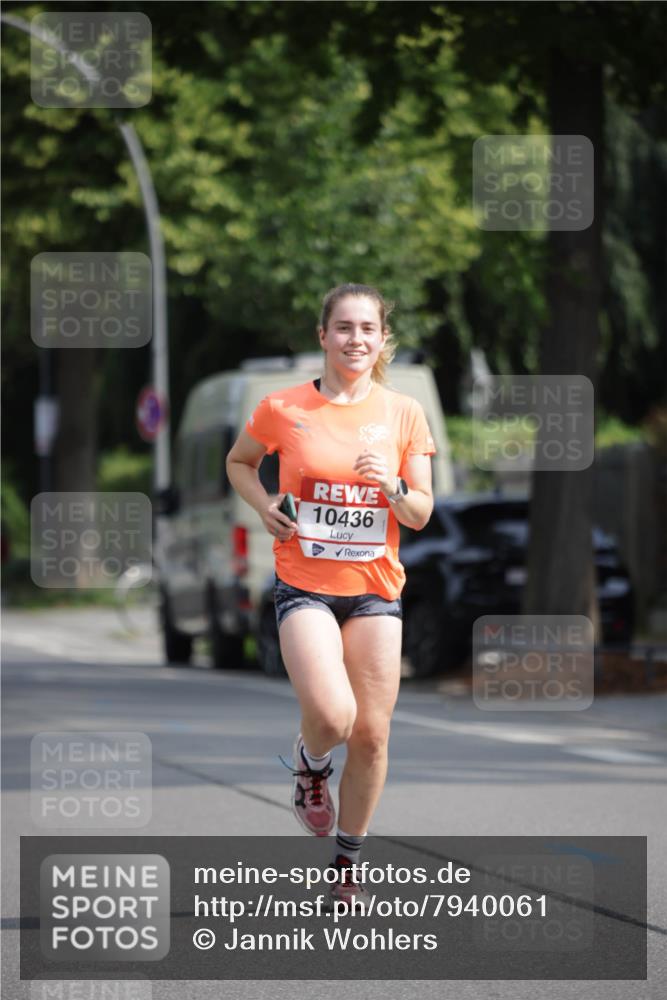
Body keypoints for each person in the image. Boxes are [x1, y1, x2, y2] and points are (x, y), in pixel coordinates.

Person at [226, 283, 435, 910]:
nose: (356, 340)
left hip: (374, 591)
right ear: (323, 336)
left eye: (368, 329)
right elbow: (240, 462)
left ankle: (347, 862)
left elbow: (421, 512)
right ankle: (311, 765)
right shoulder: (283, 408)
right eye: (343, 328)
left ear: (382, 340)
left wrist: (395, 487)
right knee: (334, 716)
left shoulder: (404, 413)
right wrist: (264, 506)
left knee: (371, 736)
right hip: (305, 585)